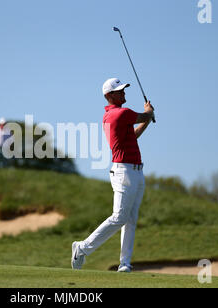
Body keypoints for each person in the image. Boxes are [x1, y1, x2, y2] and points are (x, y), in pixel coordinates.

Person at [71, 78, 154, 273]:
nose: (123, 93)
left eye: (123, 90)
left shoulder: (116, 115)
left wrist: (148, 118)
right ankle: (82, 248)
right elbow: (142, 116)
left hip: (136, 171)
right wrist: (149, 112)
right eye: (119, 91)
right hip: (124, 171)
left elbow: (134, 134)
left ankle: (125, 263)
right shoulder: (120, 114)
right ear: (109, 96)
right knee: (119, 217)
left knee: (131, 218)